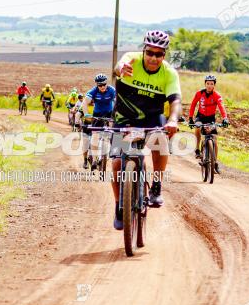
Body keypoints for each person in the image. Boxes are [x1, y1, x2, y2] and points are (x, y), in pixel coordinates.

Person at [110, 30, 181, 229]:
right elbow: (118, 67)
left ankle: (156, 186)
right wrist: (120, 69)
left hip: (152, 118)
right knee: (116, 164)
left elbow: (175, 101)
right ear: (144, 50)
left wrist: (173, 120)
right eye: (150, 52)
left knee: (161, 139)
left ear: (164, 55)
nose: (153, 58)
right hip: (123, 118)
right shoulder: (130, 60)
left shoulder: (169, 73)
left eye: (159, 54)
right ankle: (119, 205)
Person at [188, 75, 229, 174]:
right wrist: (190, 118)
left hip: (211, 118)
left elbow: (221, 106)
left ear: (214, 85)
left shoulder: (217, 95)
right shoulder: (199, 93)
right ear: (205, 84)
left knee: (214, 138)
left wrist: (225, 118)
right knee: (197, 126)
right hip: (200, 117)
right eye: (208, 83)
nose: (209, 86)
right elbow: (193, 104)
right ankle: (197, 149)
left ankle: (215, 162)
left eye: (211, 84)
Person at [81, 73, 116, 170]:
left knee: (115, 133)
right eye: (100, 85)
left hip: (109, 114)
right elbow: (85, 102)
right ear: (97, 85)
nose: (102, 87)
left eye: (104, 84)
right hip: (97, 116)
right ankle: (95, 159)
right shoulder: (93, 91)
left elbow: (118, 101)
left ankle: (114, 152)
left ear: (106, 83)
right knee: (95, 137)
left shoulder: (112, 90)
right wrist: (86, 114)